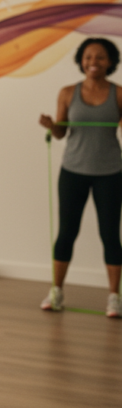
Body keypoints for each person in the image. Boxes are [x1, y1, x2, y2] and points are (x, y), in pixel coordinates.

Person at [39, 37, 122, 318]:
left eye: (100, 57)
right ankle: (56, 292)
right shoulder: (67, 93)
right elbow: (62, 132)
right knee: (67, 233)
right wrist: (52, 126)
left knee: (110, 235)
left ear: (110, 61)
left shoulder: (119, 94)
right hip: (73, 171)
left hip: (110, 173)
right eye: (88, 57)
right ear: (81, 61)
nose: (93, 63)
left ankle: (114, 297)